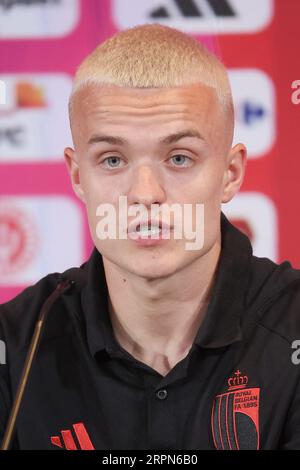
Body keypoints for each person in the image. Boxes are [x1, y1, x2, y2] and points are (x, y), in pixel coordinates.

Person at [1, 23, 300, 451]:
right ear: (77, 175)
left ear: (230, 174)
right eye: (112, 159)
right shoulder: (14, 346)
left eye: (179, 157)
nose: (144, 195)